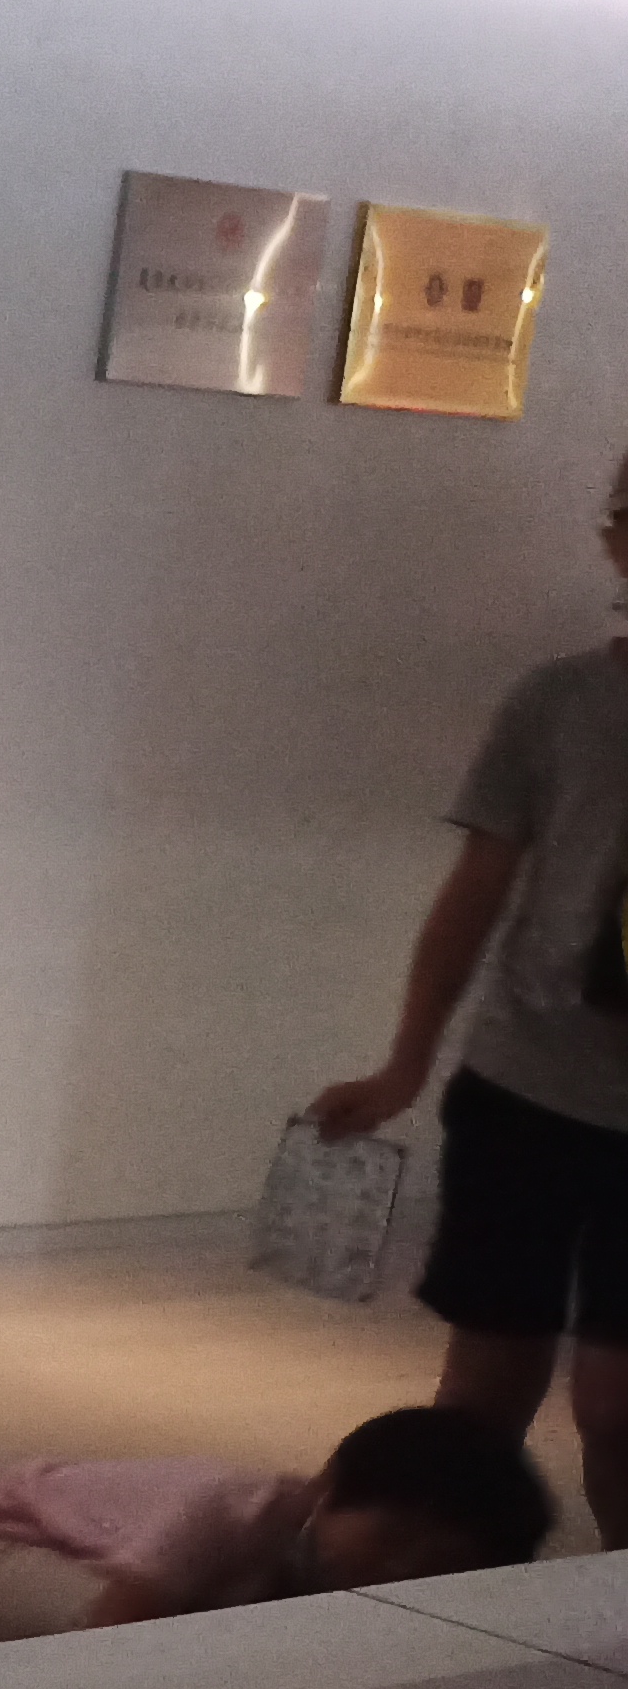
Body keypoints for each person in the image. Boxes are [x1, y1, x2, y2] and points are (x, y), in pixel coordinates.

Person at [313, 447, 628, 1547]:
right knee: (484, 1389)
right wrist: (404, 1062)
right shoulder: (557, 702)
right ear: (615, 543)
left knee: (618, 1406)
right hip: (525, 1084)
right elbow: (477, 889)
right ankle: (447, 1599)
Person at [0, 1405, 554, 1642]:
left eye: (438, 1568)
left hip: (115, 1558)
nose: (398, 1571)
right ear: (327, 1489)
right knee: (161, 1645)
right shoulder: (226, 1511)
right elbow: (118, 1628)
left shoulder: (324, 1545)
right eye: (393, 1541)